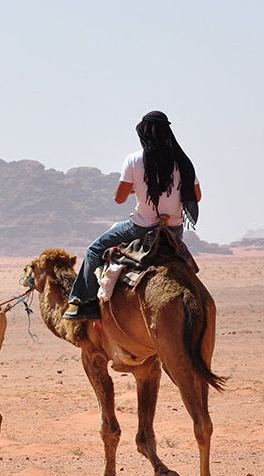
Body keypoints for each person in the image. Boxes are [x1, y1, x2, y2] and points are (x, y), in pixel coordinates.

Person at [64, 110, 201, 320]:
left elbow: (119, 198)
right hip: (173, 230)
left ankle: (86, 303)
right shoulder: (183, 161)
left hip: (140, 227)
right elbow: (196, 196)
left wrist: (137, 188)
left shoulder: (135, 159)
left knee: (93, 250)